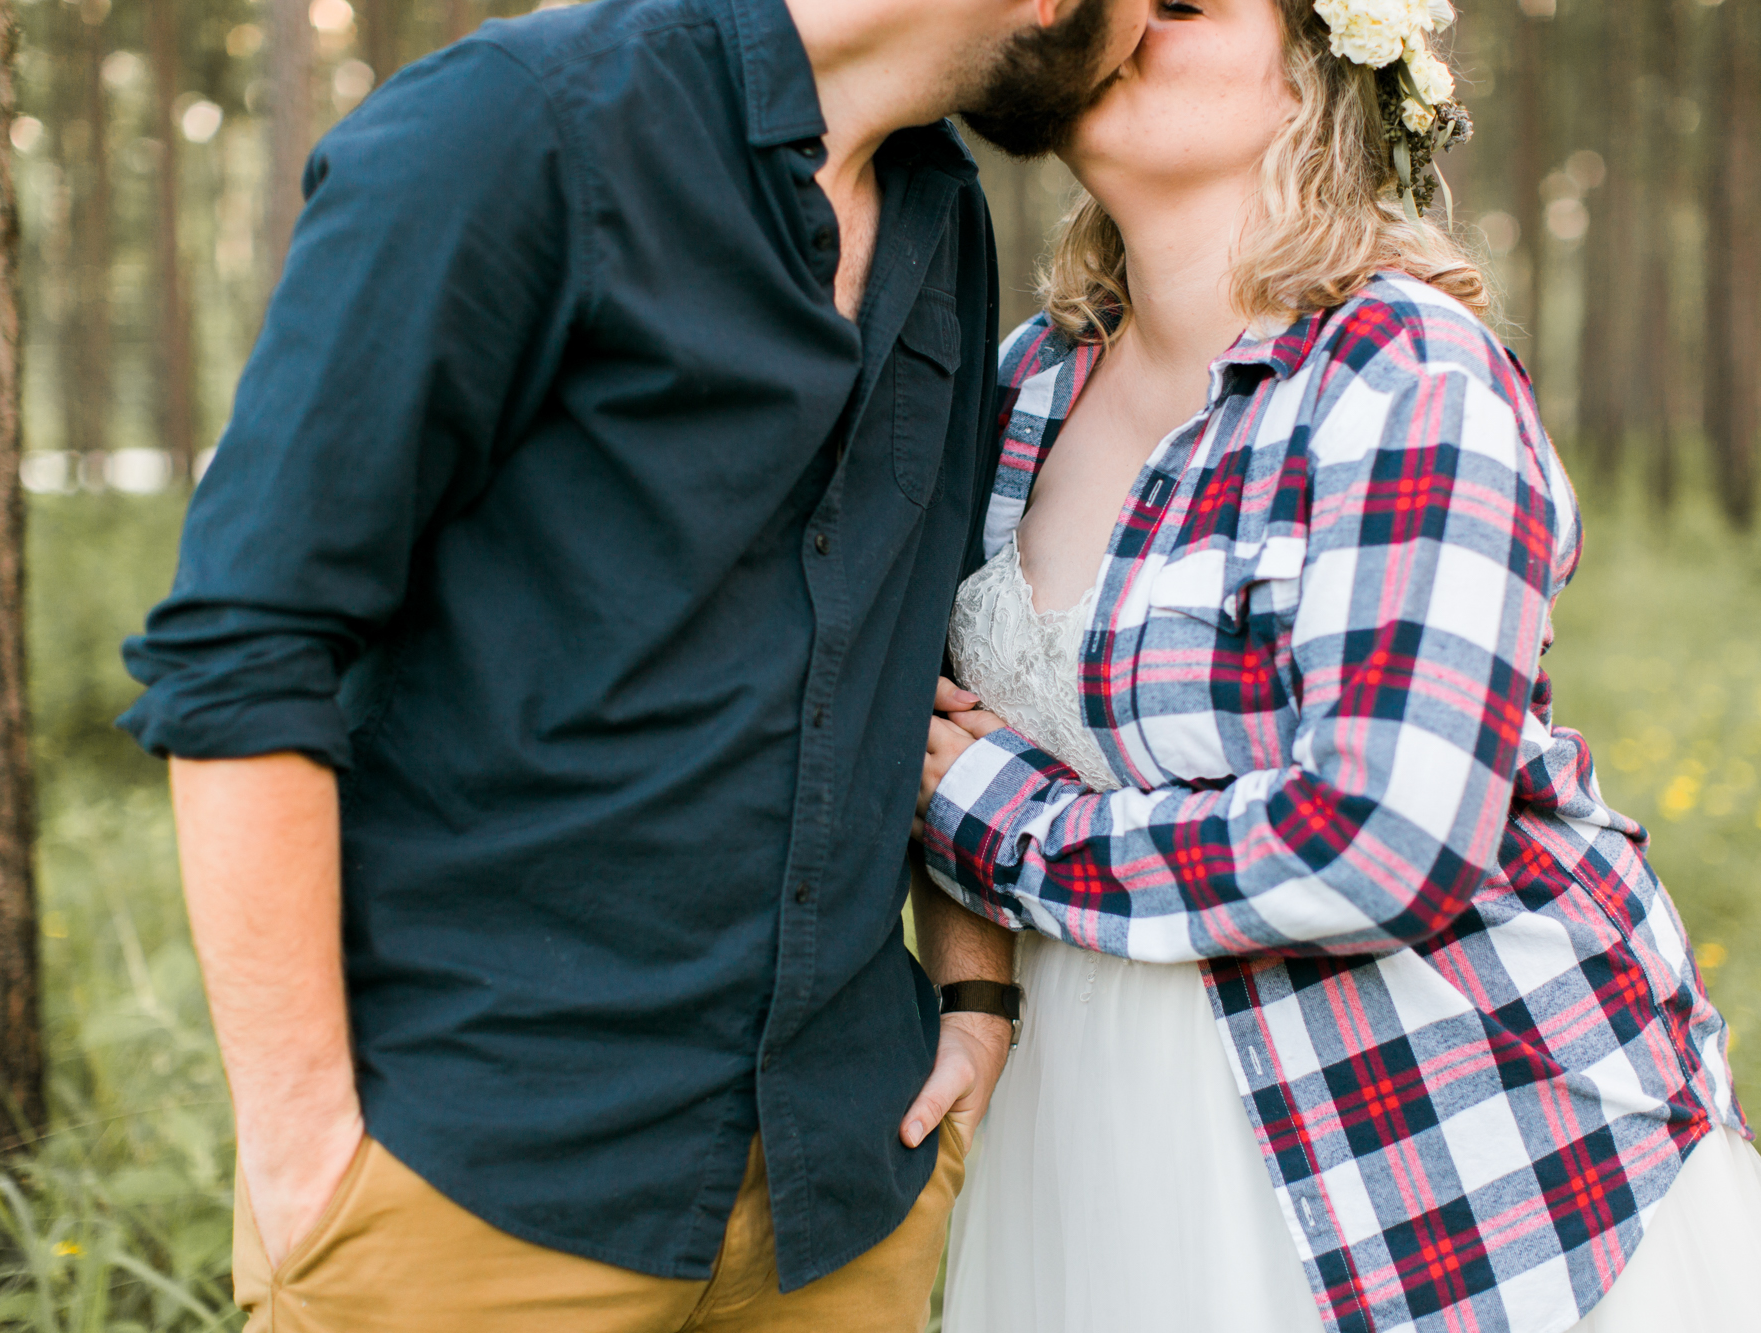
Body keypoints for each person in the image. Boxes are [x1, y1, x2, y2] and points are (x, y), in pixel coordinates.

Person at [117, 0, 1145, 1328]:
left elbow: (922, 642)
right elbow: (245, 643)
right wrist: (306, 1158)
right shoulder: (511, 132)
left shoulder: (939, 208)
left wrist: (973, 990)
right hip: (475, 1196)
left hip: (845, 1194)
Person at [915, 1, 1761, 1331]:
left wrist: (1009, 826)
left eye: (1185, 5)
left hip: (1439, 1141)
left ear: (1319, 68)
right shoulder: (1026, 388)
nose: (1118, 16)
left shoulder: (1405, 370)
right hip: (1088, 1118)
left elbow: (1386, 838)